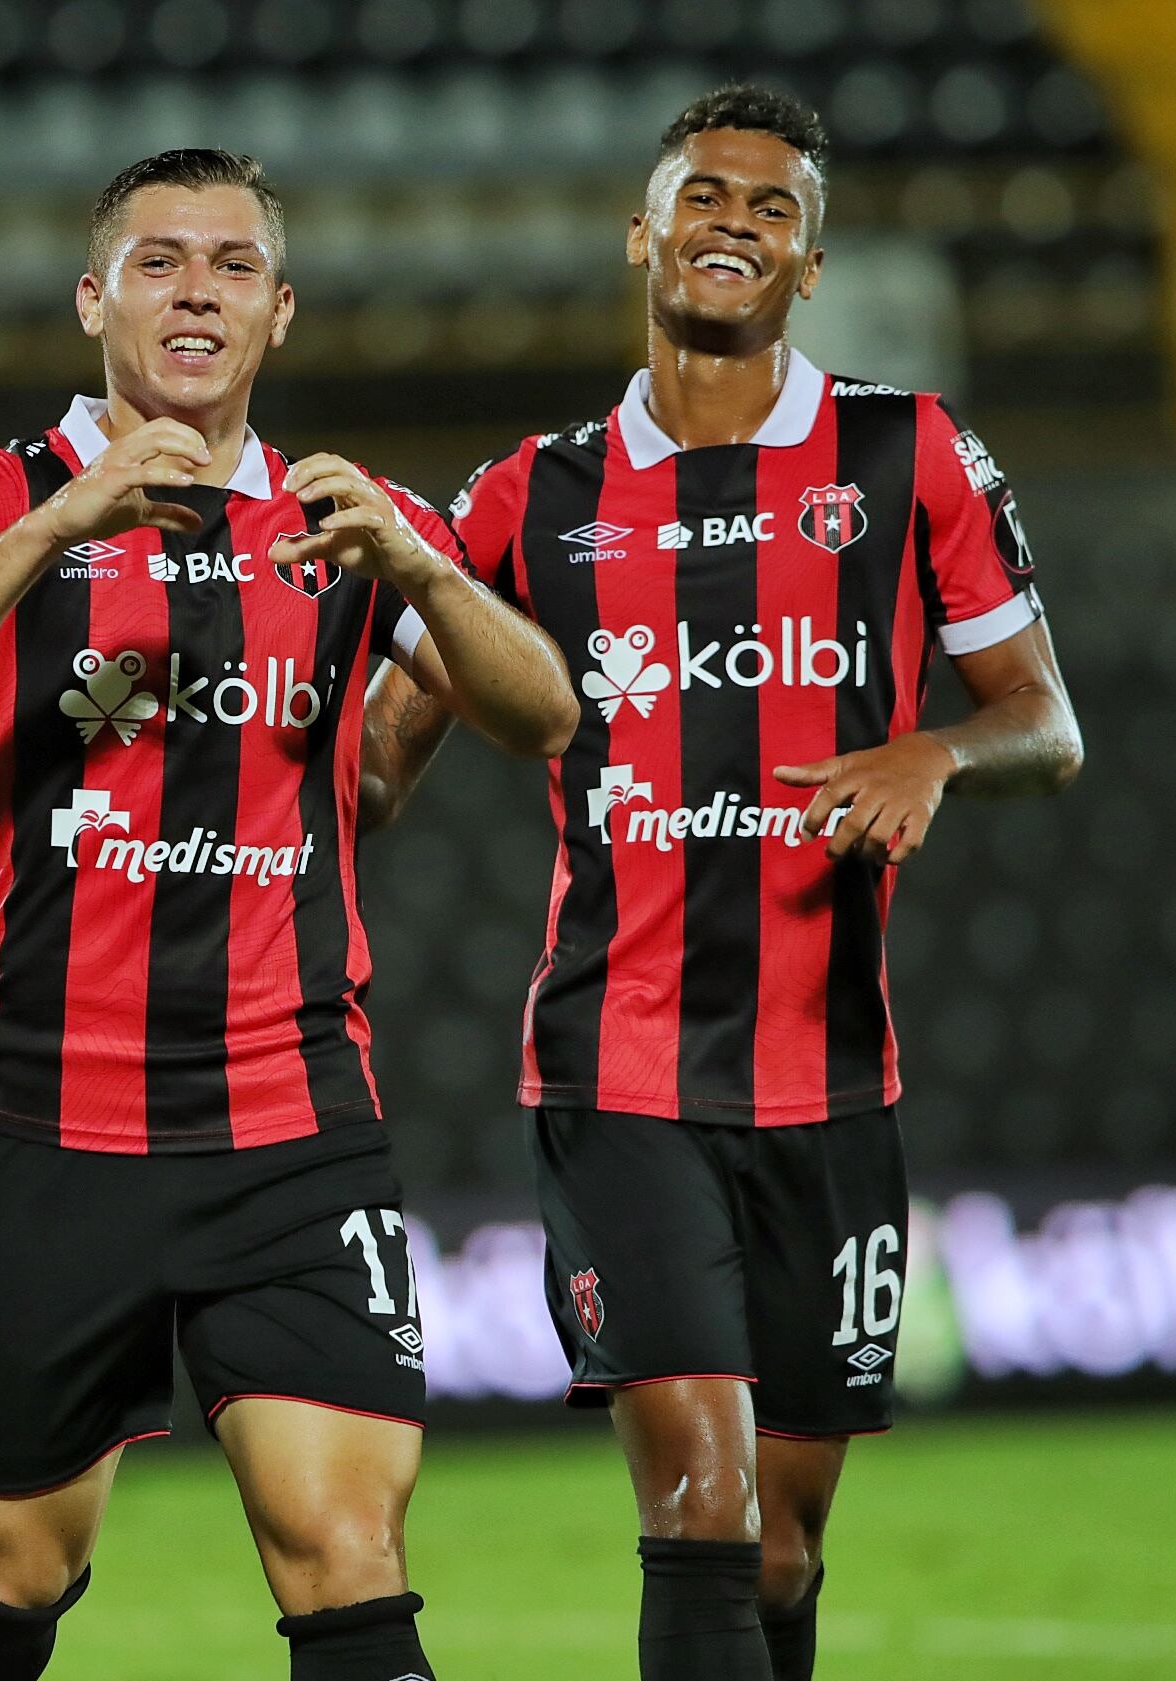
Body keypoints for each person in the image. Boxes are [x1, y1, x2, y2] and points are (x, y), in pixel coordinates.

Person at [0, 149, 578, 1681]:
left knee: (344, 1553)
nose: (196, 289)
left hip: (290, 1122)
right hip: (47, 1121)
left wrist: (422, 569)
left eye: (231, 265)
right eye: (159, 261)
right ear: (95, 297)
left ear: (278, 312)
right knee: (12, 1561)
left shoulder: (338, 518)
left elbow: (545, 713)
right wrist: (60, 523)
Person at [358, 86, 1083, 1681]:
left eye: (771, 208)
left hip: (828, 1082)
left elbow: (1047, 721)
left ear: (809, 260)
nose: (732, 224)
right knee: (698, 1498)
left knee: (777, 1545)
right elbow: (370, 769)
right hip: (618, 1073)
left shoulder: (907, 449)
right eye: (703, 195)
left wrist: (933, 756)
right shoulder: (524, 497)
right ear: (644, 231)